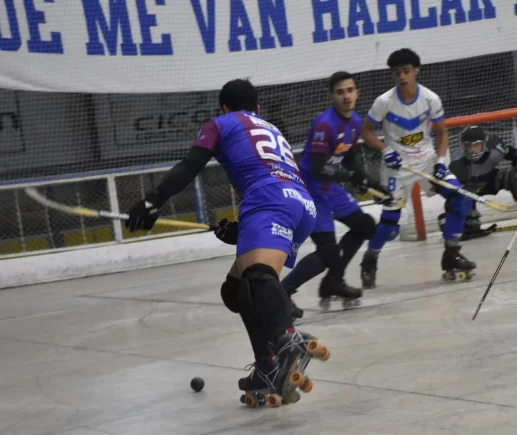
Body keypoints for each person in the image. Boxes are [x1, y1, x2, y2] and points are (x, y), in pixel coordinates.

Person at [124, 79, 327, 405]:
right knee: (236, 291)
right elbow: (267, 168)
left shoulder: (221, 123)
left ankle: (286, 341)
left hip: (268, 201)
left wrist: (151, 202)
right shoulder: (271, 127)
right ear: (258, 109)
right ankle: (266, 367)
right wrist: (242, 230)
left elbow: (190, 165)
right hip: (302, 206)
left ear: (224, 108)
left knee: (259, 276)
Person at [267, 71, 392, 317]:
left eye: (350, 90)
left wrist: (375, 186)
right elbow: (318, 167)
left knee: (365, 226)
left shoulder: (355, 121)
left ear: (357, 92)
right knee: (327, 252)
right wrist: (351, 178)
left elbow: (353, 161)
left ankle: (334, 280)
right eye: (340, 92)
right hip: (310, 191)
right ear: (331, 96)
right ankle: (283, 292)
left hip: (331, 188)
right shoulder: (324, 124)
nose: (346, 96)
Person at [358, 48, 476, 287]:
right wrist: (386, 150)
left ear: (416, 71)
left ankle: (451, 254)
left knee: (460, 199)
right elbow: (365, 131)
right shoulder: (384, 102)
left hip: (427, 161)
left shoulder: (430, 99)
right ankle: (370, 258)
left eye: (406, 71)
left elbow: (442, 133)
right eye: (397, 73)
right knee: (390, 227)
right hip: (396, 168)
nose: (402, 76)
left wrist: (441, 162)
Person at [439, 125, 517, 240]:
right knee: (463, 220)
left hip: (490, 181)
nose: (471, 150)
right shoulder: (457, 165)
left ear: (484, 144)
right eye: (468, 146)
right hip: (471, 189)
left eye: (476, 145)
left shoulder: (496, 149)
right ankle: (467, 222)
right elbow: (451, 194)